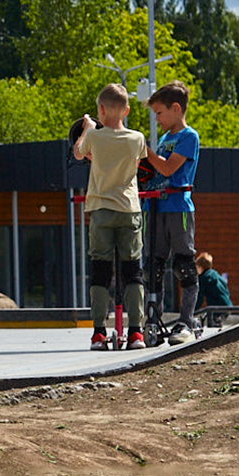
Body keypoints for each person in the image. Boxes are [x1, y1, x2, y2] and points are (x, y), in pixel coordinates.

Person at [72, 84, 149, 351]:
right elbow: (135, 165)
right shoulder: (137, 138)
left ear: (100, 110)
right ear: (127, 110)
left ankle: (98, 333)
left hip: (101, 210)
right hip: (129, 209)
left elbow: (78, 152)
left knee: (101, 271)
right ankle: (137, 332)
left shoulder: (94, 136)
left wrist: (87, 128)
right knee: (133, 271)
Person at [145, 80, 200, 345]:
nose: (157, 119)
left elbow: (168, 169)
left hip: (178, 208)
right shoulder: (165, 139)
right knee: (153, 267)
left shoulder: (188, 137)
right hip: (156, 207)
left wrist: (145, 149)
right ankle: (153, 318)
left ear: (175, 108)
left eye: (159, 113)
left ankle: (186, 322)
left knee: (183, 265)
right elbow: (154, 170)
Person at [195, 252, 231, 325]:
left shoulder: (203, 278)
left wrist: (194, 310)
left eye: (197, 267)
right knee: (218, 324)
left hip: (216, 307)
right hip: (227, 305)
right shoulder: (215, 274)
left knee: (214, 326)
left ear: (200, 267)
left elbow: (199, 296)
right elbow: (225, 288)